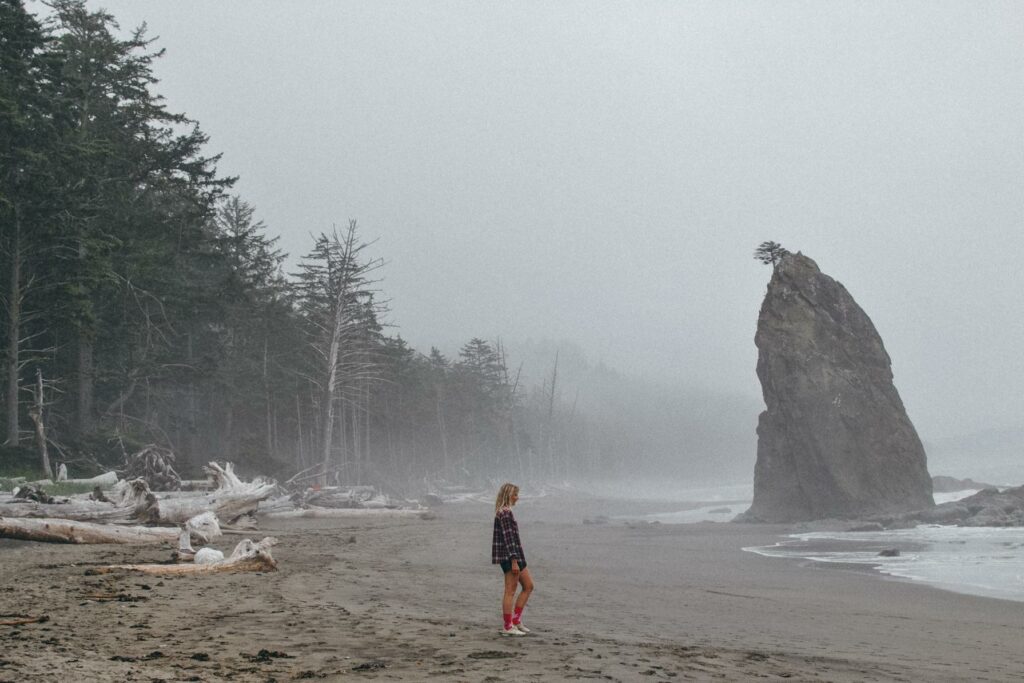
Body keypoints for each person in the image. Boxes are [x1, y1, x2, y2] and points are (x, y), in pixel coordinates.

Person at [492, 482, 534, 636]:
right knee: (510, 591)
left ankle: (516, 620)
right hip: (510, 557)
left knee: (528, 585)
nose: (517, 498)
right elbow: (508, 539)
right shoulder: (505, 513)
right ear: (508, 495)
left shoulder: (506, 512)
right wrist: (514, 561)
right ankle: (508, 626)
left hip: (516, 555)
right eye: (515, 495)